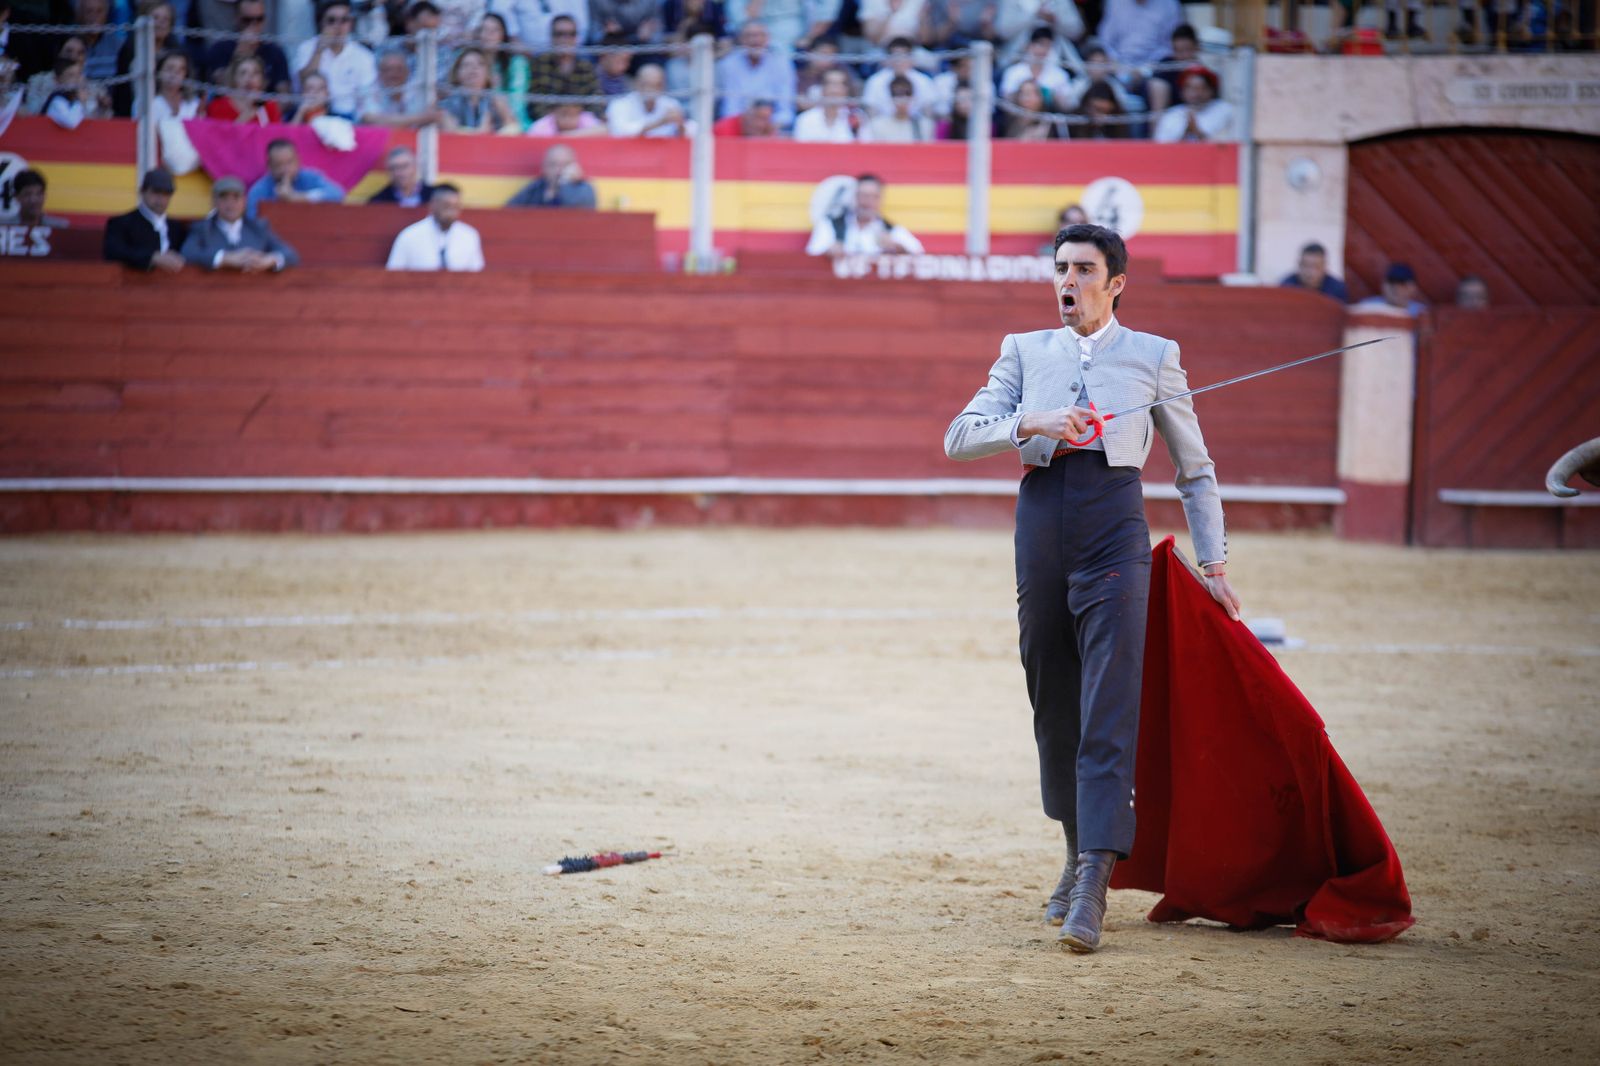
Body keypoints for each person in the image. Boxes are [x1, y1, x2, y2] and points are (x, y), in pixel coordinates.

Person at [943, 222, 1237, 954]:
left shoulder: (1155, 356)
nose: (1067, 281)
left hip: (1114, 527)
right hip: (1042, 527)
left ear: (1116, 283)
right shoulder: (1023, 350)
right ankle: (1077, 854)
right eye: (1061, 269)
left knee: (1109, 700)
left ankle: (1095, 883)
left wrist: (1215, 565)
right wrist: (1032, 421)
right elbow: (959, 436)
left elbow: (1195, 468)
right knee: (1052, 698)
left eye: (1083, 270)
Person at [183, 175, 300, 271]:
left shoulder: (258, 227)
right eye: (224, 198)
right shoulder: (202, 228)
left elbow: (290, 254)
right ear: (214, 202)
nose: (230, 204)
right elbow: (187, 253)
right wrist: (225, 258)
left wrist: (269, 260)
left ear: (244, 201)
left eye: (236, 197)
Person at [293, 0, 378, 118]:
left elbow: (367, 98)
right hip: (313, 113)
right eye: (331, 20)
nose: (338, 26)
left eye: (344, 20)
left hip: (350, 118)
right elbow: (302, 85)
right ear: (321, 23)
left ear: (351, 23)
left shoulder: (363, 55)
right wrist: (319, 50)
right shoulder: (307, 48)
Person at [805, 173, 922, 258]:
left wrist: (899, 248)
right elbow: (811, 255)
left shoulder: (891, 230)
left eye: (873, 196)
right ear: (854, 197)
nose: (867, 201)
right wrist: (829, 251)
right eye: (863, 195)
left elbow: (920, 255)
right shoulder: (831, 225)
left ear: (880, 199)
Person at [102, 167, 187, 272]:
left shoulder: (176, 227)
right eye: (156, 192)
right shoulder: (121, 223)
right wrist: (152, 257)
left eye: (166, 193)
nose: (161, 199)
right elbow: (113, 252)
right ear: (142, 191)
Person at [715, 21, 795, 130]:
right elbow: (730, 106)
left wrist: (769, 125)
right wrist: (745, 125)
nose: (755, 40)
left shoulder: (782, 63)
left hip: (772, 126)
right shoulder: (729, 64)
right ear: (741, 39)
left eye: (760, 35)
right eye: (749, 36)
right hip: (739, 126)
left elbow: (785, 107)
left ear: (768, 38)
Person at [202, 0, 292, 96]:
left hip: (264, 104)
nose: (253, 25)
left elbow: (284, 95)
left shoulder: (275, 51)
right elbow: (222, 86)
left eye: (259, 19)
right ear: (236, 18)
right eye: (247, 20)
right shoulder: (220, 49)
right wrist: (240, 52)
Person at [386, 183, 484, 271]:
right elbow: (393, 275)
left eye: (456, 207)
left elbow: (477, 275)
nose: (451, 212)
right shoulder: (409, 236)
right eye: (446, 206)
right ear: (433, 205)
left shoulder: (469, 236)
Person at [246, 139, 347, 218]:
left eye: (289, 162)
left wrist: (298, 197)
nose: (285, 169)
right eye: (279, 165)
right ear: (269, 166)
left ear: (298, 161)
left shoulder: (310, 177)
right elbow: (252, 219)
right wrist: (279, 203)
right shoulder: (260, 190)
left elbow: (337, 194)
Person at [525, 14, 601, 120]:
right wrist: (559, 121)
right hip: (548, 123)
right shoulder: (539, 63)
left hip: (580, 123)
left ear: (576, 38)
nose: (565, 39)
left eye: (571, 34)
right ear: (551, 37)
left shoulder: (586, 66)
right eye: (559, 34)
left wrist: (575, 119)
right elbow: (534, 102)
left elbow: (596, 100)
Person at [359, 46, 441, 127]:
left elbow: (435, 115)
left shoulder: (418, 91)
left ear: (408, 72)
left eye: (399, 69)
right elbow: (371, 120)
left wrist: (422, 118)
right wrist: (421, 118)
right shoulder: (369, 92)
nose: (393, 74)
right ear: (379, 73)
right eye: (387, 69)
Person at [440, 46, 515, 132]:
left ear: (488, 73)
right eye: (466, 65)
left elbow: (513, 129)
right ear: (457, 73)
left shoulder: (497, 101)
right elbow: (452, 133)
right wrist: (480, 132)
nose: (473, 68)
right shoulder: (448, 103)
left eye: (480, 64)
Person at [1152, 65, 1234, 143]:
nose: (1196, 94)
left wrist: (1197, 132)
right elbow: (1162, 148)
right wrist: (1187, 132)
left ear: (1211, 90)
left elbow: (1227, 146)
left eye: (1202, 88)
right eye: (1190, 88)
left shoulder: (1224, 110)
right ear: (1182, 91)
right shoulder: (1171, 115)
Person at [476, 12, 530, 130]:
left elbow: (517, 105)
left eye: (494, 30)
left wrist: (496, 88)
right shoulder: (470, 60)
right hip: (477, 120)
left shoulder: (516, 63)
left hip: (511, 122)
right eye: (484, 29)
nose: (488, 35)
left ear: (503, 35)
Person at [861, 36, 935, 119]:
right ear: (888, 57)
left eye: (903, 55)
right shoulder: (875, 81)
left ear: (911, 57)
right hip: (884, 124)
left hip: (915, 124)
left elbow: (928, 112)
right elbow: (871, 112)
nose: (899, 61)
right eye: (895, 56)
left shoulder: (923, 81)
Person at [506, 143, 597, 208]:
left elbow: (579, 214)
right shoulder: (536, 187)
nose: (559, 170)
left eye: (565, 165)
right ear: (544, 168)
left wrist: (565, 184)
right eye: (553, 165)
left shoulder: (584, 188)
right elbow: (509, 210)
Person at [606, 63, 684, 137]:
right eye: (647, 84)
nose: (651, 90)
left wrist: (680, 125)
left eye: (657, 85)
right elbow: (619, 131)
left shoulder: (671, 104)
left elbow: (685, 133)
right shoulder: (619, 105)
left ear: (663, 86)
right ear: (637, 84)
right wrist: (660, 122)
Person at [999, 27, 1071, 104]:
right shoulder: (1013, 72)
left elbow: (1067, 105)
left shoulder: (1060, 75)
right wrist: (1024, 93)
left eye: (1048, 46)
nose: (1043, 50)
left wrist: (1052, 96)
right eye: (1040, 44)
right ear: (1030, 45)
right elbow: (1006, 99)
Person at [205, 53, 282, 124]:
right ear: (234, 78)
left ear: (262, 79)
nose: (249, 78)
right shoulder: (217, 106)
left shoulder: (270, 107)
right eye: (243, 73)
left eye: (255, 73)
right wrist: (248, 113)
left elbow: (277, 133)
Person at [792, 67, 859, 142]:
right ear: (822, 88)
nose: (834, 90)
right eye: (830, 84)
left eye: (839, 85)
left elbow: (864, 145)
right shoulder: (805, 119)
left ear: (846, 89)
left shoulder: (857, 118)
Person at [866, 74, 931, 141]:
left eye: (907, 94)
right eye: (898, 95)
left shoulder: (925, 126)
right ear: (890, 97)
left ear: (913, 97)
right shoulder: (877, 125)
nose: (902, 100)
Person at [1278, 241, 1348, 302]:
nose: (1310, 272)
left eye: (1316, 267)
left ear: (1325, 267)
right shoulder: (1286, 287)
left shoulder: (1338, 289)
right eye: (1306, 266)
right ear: (1299, 264)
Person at [367, 145, 437, 206]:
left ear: (415, 167)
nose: (400, 172)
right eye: (394, 168)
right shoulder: (378, 202)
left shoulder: (435, 195)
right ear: (389, 172)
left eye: (405, 166)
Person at [144, 48, 198, 122]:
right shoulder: (147, 103)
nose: (174, 74)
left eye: (180, 70)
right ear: (159, 71)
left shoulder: (193, 103)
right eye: (170, 68)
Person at [1355, 262, 1426, 316]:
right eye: (1391, 283)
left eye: (1402, 284)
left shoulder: (1420, 313)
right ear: (1383, 285)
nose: (1396, 289)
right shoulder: (1367, 308)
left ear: (1413, 288)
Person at [527, 100, 606, 135]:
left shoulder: (586, 118)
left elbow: (605, 129)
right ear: (554, 112)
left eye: (572, 115)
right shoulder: (541, 126)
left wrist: (567, 135)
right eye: (564, 114)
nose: (568, 119)